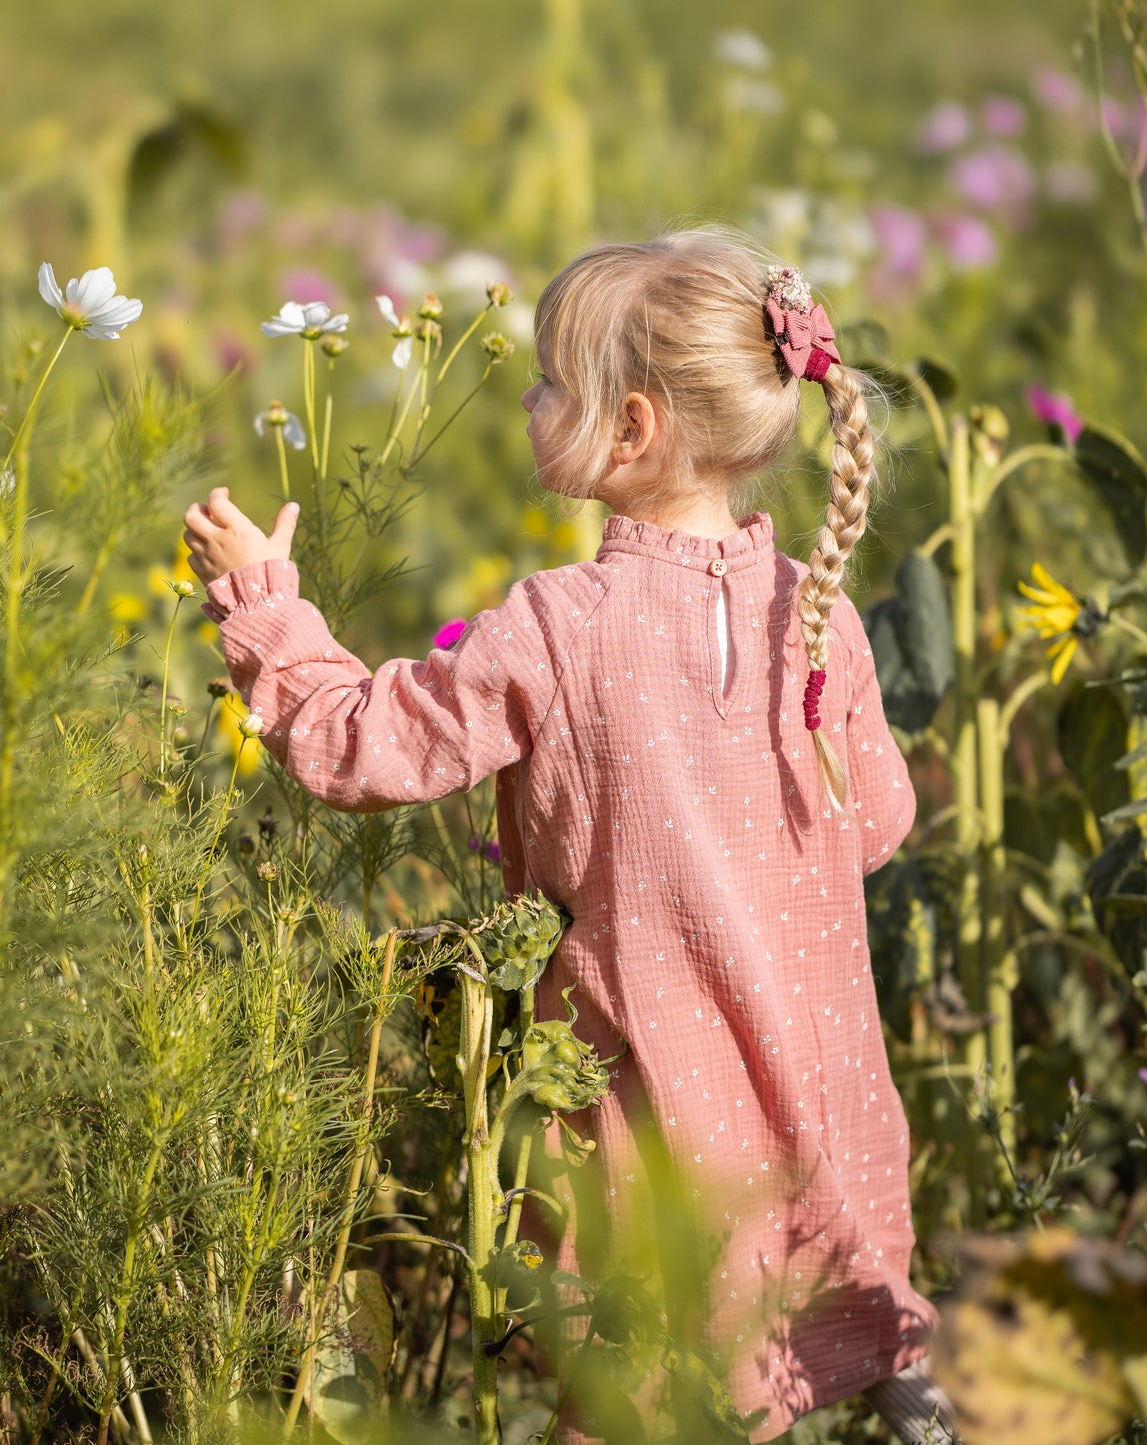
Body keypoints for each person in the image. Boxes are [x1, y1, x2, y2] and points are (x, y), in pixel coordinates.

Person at [182, 228, 958, 1443]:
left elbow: (362, 746)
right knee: (790, 1294)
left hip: (643, 1107)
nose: (531, 398)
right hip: (813, 1087)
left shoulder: (560, 623)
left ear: (634, 428)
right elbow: (879, 822)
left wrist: (264, 606)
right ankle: (898, 1365)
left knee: (645, 1364)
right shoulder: (819, 612)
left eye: (551, 380)